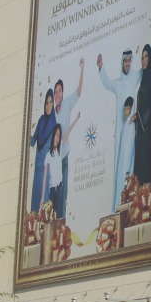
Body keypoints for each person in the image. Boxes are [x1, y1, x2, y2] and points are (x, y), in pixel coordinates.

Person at [98, 47, 139, 208]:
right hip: (122, 131)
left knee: (131, 164)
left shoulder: (134, 78)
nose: (127, 64)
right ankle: (118, 203)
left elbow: (146, 67)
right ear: (122, 63)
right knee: (121, 166)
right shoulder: (118, 83)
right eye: (125, 61)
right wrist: (101, 67)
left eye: (129, 60)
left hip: (132, 128)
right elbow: (107, 83)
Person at [52, 59, 84, 218]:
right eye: (55, 92)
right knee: (55, 193)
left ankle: (61, 223)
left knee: (64, 193)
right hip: (54, 160)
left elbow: (78, 92)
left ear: (62, 93)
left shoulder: (66, 104)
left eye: (59, 91)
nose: (57, 94)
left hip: (64, 157)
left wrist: (82, 68)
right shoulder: (52, 113)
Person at [132, 28, 151, 186]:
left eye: (146, 57)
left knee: (144, 156)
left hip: (145, 127)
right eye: (142, 57)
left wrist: (141, 118)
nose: (143, 60)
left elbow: (149, 101)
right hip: (141, 125)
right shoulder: (143, 77)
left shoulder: (149, 76)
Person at [27, 89, 56, 212]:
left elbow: (51, 149)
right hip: (37, 166)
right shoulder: (41, 120)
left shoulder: (54, 124)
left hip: (45, 169)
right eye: (47, 103)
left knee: (43, 201)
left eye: (51, 102)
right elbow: (33, 141)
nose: (49, 106)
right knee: (35, 198)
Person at [117, 97, 137, 203]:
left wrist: (128, 170)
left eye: (128, 108)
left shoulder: (131, 125)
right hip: (123, 163)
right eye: (125, 109)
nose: (126, 111)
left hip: (127, 165)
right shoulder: (126, 124)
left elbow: (130, 148)